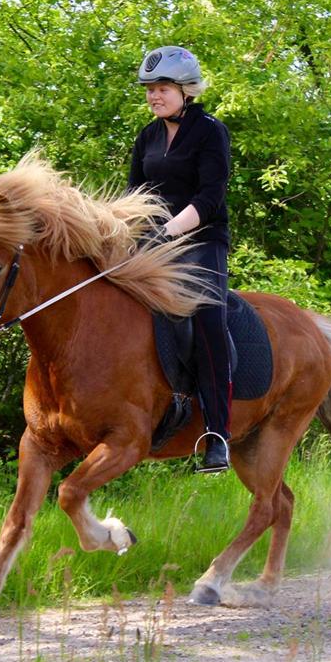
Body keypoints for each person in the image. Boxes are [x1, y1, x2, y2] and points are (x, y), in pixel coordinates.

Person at [128, 46, 232, 474]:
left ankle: (217, 436)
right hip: (153, 244)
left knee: (207, 320)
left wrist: (167, 231)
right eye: (150, 89)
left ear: (186, 90)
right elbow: (134, 195)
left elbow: (209, 198)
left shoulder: (210, 131)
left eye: (163, 88)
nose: (155, 96)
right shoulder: (147, 137)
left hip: (201, 242)